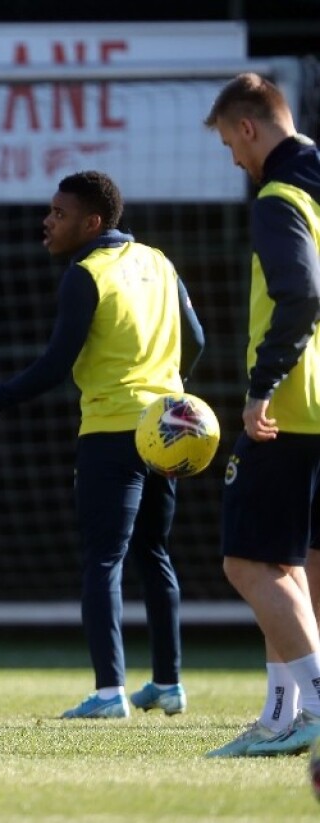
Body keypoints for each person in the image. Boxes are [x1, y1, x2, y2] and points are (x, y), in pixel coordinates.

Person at [0, 170, 204, 720]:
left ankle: (109, 691)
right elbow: (201, 339)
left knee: (103, 561)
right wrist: (170, 390)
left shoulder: (86, 273)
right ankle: (168, 683)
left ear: (92, 223)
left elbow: (54, 366)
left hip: (112, 434)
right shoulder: (159, 261)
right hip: (165, 431)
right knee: (154, 556)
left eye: (59, 214)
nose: (47, 222)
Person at [201, 72, 320, 758]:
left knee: (248, 562)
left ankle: (314, 707)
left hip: (293, 405)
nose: (235, 160)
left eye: (229, 144)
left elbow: (300, 297)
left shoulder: (280, 196)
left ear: (250, 127)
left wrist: (262, 384)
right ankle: (281, 714)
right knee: (290, 565)